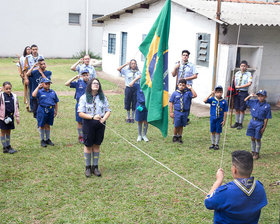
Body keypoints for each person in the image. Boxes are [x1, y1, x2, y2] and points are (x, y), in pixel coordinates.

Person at [205, 150, 267, 223]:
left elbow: (208, 202)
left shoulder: (225, 192)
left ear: (234, 170)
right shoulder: (260, 187)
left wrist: (218, 180)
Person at [78, 78, 111, 177]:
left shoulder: (103, 97)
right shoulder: (84, 97)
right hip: (88, 123)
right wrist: (92, 117)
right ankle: (87, 167)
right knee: (88, 145)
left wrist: (103, 119)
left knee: (97, 145)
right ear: (90, 85)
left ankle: (95, 167)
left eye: (97, 83)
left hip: (100, 123)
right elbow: (80, 113)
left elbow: (108, 110)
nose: (96, 85)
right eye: (94, 83)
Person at [244, 90, 272, 160]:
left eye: (262, 96)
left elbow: (266, 118)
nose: (260, 97)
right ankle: (253, 151)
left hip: (260, 123)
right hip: (252, 121)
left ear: (265, 97)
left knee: (258, 138)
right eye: (259, 95)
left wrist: (264, 127)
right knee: (252, 137)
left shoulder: (267, 106)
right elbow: (245, 101)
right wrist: (250, 96)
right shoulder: (254, 102)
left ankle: (257, 152)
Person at [32, 78, 59, 147]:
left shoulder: (52, 92)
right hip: (42, 109)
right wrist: (38, 87)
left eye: (49, 83)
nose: (48, 85)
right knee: (41, 125)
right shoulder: (40, 91)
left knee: (48, 125)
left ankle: (47, 139)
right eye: (46, 83)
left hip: (51, 109)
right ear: (42, 84)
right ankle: (42, 140)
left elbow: (56, 102)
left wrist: (56, 110)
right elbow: (33, 95)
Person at [65, 69, 89, 143]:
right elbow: (66, 84)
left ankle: (87, 136)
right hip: (79, 104)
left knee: (88, 121)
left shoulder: (91, 83)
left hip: (88, 104)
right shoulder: (79, 82)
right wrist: (74, 77)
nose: (85, 77)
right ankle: (80, 136)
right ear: (81, 76)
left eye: (87, 75)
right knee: (79, 121)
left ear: (89, 75)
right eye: (84, 75)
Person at [169, 79, 197, 143]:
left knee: (181, 125)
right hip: (177, 112)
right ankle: (174, 136)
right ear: (178, 85)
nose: (181, 86)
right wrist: (171, 112)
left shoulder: (188, 92)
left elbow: (195, 95)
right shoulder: (175, 93)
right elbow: (171, 102)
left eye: (183, 85)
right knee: (176, 125)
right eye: (180, 85)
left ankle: (179, 137)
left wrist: (191, 88)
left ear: (185, 86)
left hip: (185, 112)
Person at [204, 86, 228, 150]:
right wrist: (210, 94)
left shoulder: (224, 102)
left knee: (218, 131)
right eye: (217, 92)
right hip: (213, 118)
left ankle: (217, 144)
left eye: (220, 92)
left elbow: (225, 111)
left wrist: (224, 120)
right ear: (215, 92)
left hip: (219, 119)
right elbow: (204, 100)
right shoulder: (212, 99)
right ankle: (212, 143)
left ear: (222, 93)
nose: (219, 94)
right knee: (212, 131)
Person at [231, 60, 253, 130]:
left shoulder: (249, 74)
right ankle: (236, 122)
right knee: (236, 108)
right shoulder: (237, 73)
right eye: (241, 66)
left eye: (244, 66)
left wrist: (240, 87)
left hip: (243, 93)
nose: (243, 67)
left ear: (246, 67)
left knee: (242, 109)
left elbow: (249, 83)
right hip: (236, 92)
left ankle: (240, 123)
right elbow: (234, 82)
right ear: (240, 66)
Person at [0, 82, 19, 154]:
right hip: (2, 118)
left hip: (11, 117)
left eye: (9, 88)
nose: (8, 90)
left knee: (8, 131)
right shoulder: (1, 96)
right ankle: (4, 147)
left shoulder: (14, 96)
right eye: (6, 89)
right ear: (3, 88)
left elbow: (16, 107)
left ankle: (8, 145)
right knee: (3, 132)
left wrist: (17, 117)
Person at [129, 75, 149, 142]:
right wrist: (137, 78)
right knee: (139, 121)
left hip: (147, 106)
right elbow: (130, 84)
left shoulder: (149, 86)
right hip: (139, 105)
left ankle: (144, 135)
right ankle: (139, 135)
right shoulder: (138, 85)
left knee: (146, 121)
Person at [16, 46, 31, 111]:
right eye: (27, 49)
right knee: (26, 88)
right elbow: (19, 66)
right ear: (25, 50)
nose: (29, 50)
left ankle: (31, 100)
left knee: (31, 88)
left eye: (29, 49)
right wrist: (21, 74)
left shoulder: (31, 57)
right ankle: (27, 100)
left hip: (31, 74)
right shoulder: (22, 58)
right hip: (24, 74)